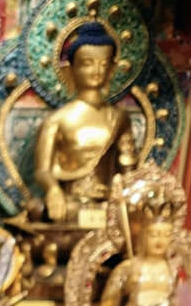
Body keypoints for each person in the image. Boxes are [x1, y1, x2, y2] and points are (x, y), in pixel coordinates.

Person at [32, 21, 136, 224]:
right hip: (70, 204)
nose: (96, 70)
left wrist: (129, 199)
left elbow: (128, 169)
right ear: (70, 69)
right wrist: (53, 190)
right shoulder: (57, 120)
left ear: (112, 69)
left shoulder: (119, 118)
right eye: (87, 63)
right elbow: (42, 170)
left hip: (107, 207)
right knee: (37, 210)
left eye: (103, 64)